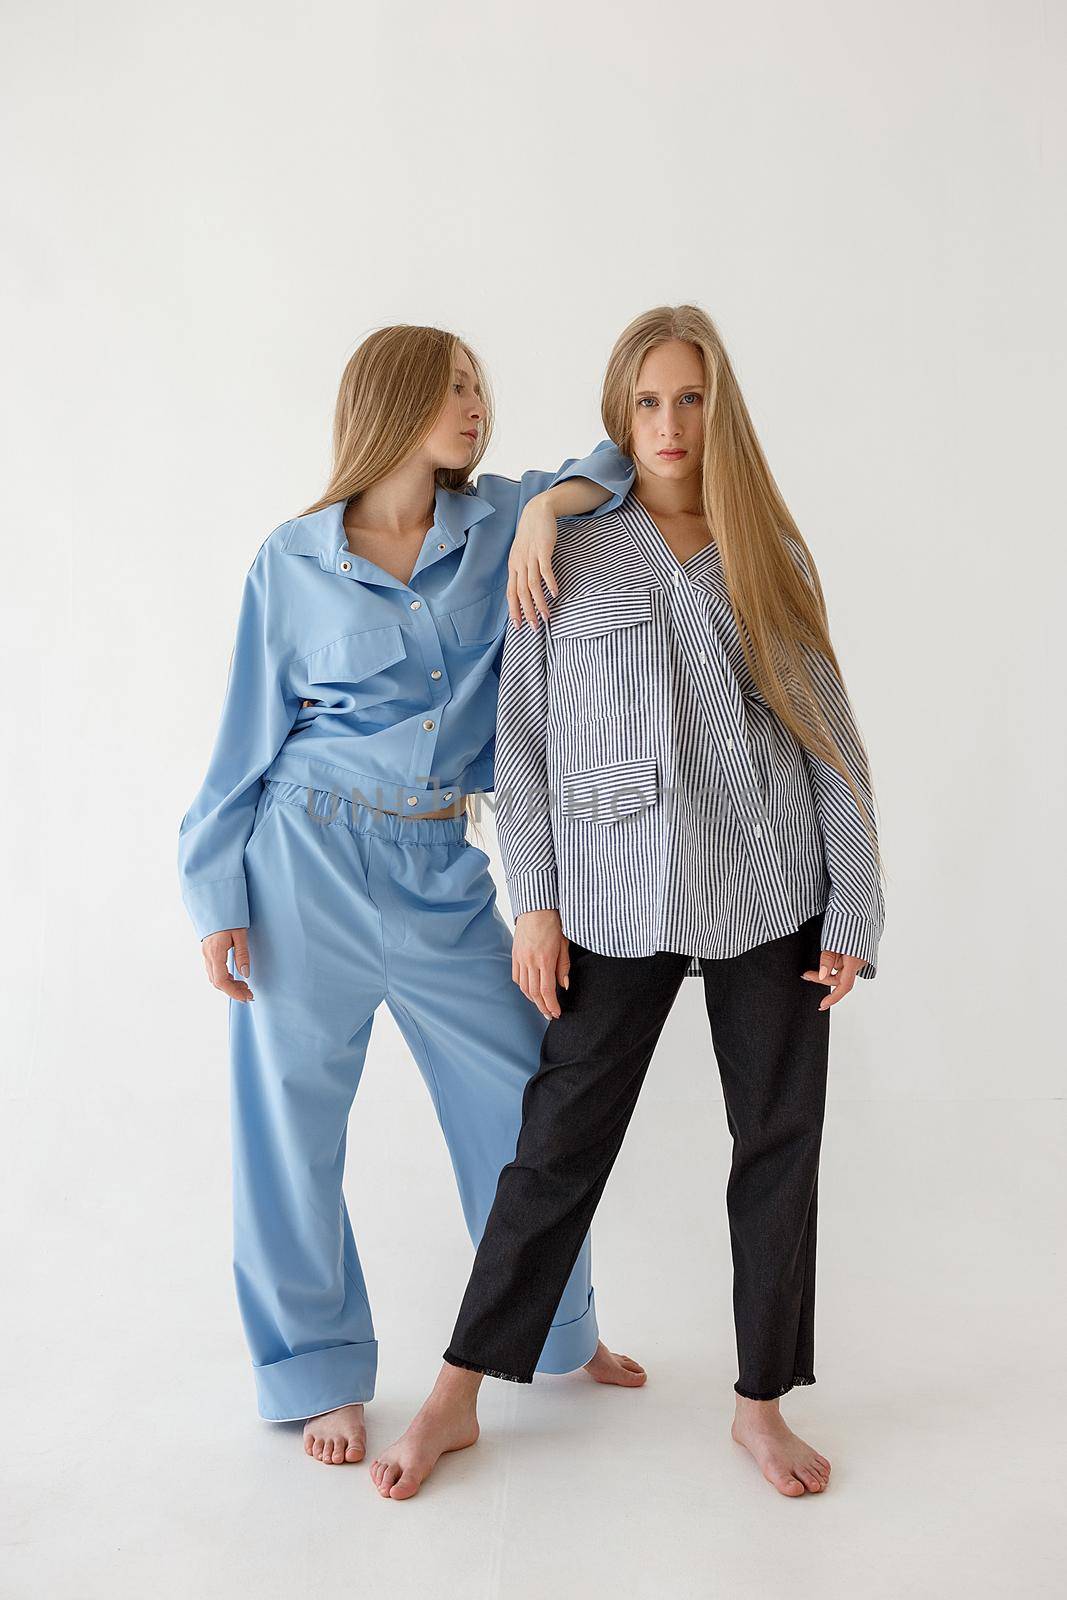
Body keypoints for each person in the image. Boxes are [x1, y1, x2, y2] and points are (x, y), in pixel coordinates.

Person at [370, 304, 886, 1500]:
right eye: (646, 401)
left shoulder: (769, 553)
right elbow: (525, 743)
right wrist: (535, 900)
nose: (668, 423)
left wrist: (850, 909)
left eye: (689, 398)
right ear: (620, 412)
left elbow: (830, 743)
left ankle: (759, 1405)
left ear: (719, 409)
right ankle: (457, 1392)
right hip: (608, 894)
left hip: (767, 888)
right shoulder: (562, 545)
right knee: (554, 1145)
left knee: (776, 1144)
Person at [177, 323, 648, 1466]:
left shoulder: (498, 521)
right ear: (389, 401)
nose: (474, 404)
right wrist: (215, 890)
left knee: (522, 1100)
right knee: (290, 1127)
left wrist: (543, 510)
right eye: (450, 388)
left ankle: (548, 1329)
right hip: (303, 861)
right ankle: (317, 1374)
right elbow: (246, 733)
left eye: (479, 386)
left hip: (441, 862)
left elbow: (621, 455)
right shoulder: (289, 560)